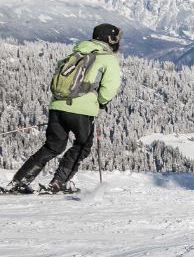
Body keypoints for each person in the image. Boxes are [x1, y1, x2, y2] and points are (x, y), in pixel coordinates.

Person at [5, 24, 122, 194]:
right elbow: (109, 88)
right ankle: (58, 182)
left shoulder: (76, 53)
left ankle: (18, 181)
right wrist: (101, 102)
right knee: (83, 145)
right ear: (110, 39)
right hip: (82, 110)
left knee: (53, 146)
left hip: (57, 106)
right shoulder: (107, 58)